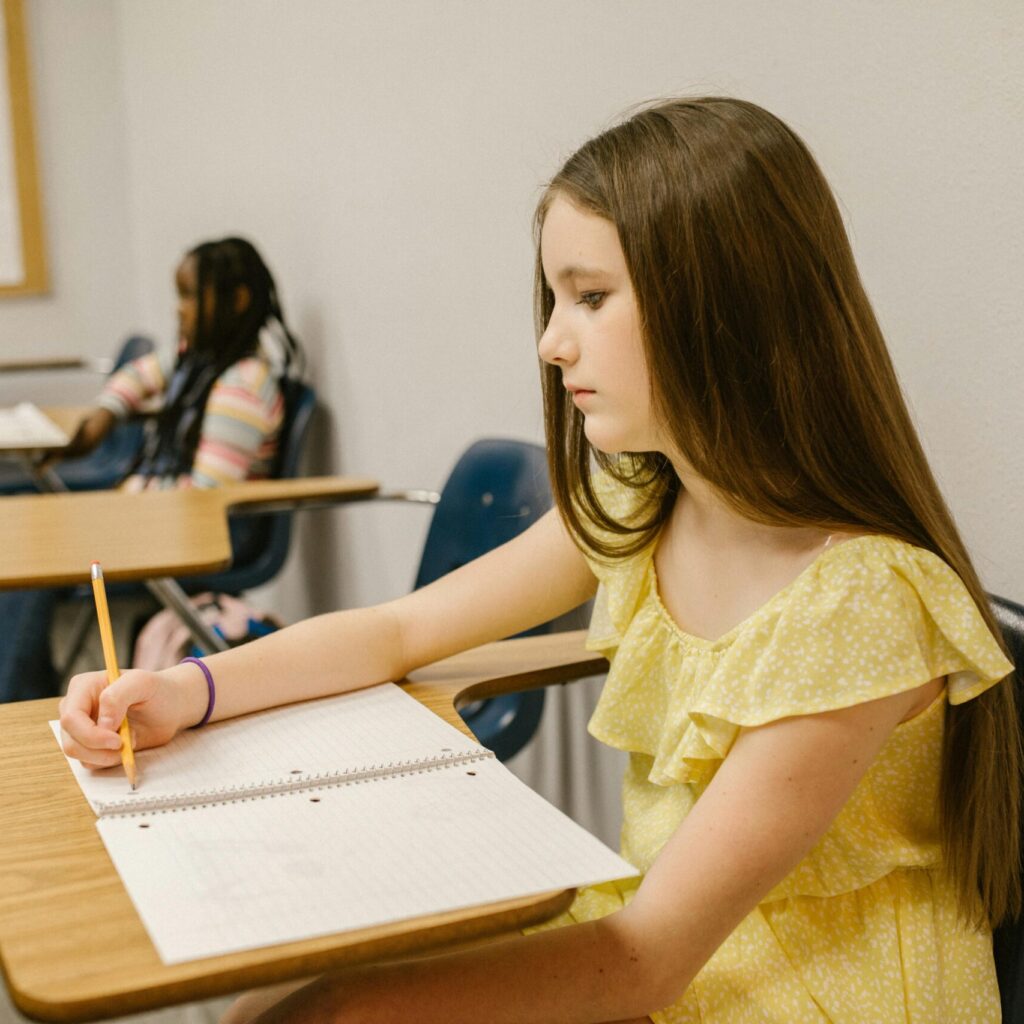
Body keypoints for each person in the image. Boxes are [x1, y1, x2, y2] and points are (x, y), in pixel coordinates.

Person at [59, 98, 1017, 1023]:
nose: (554, 343)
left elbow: (648, 957)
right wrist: (189, 690)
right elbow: (402, 628)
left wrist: (358, 1003)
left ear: (724, 306)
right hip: (665, 941)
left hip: (805, 991)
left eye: (591, 298)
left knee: (326, 1007)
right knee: (267, 1004)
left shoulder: (857, 600)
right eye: (557, 299)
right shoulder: (641, 500)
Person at [0, 236, 303, 703]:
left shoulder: (241, 387)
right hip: (157, 516)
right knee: (25, 534)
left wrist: (124, 503)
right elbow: (141, 374)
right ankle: (24, 691)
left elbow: (201, 502)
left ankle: (14, 696)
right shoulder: (197, 361)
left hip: (204, 533)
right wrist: (105, 415)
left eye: (187, 295)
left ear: (236, 300)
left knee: (31, 550)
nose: (178, 310)